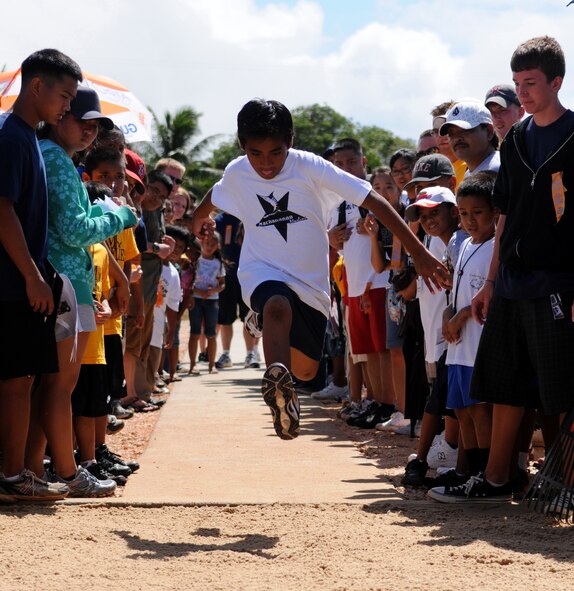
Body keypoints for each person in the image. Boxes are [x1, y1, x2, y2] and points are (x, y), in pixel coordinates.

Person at [192, 98, 446, 440]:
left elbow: (374, 200)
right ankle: (279, 387)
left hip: (310, 284)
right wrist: (198, 217)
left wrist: (419, 252)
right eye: (256, 154)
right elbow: (215, 194)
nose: (266, 165)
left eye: (275, 153)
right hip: (261, 271)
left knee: (307, 369)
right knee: (276, 305)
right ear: (243, 147)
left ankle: (277, 352)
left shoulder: (310, 167)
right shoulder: (238, 171)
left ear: (291, 142)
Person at [448, 36, 574, 506]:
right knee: (504, 383)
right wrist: (492, 283)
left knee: (558, 393)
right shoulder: (516, 139)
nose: (522, 92)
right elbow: (504, 218)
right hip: (514, 282)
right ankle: (497, 477)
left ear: (556, 82)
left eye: (531, 83)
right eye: (518, 82)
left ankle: (563, 485)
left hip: (558, 282)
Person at [27, 87, 137, 497]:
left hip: (66, 282)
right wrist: (120, 216)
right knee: (60, 385)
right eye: (82, 122)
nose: (90, 131)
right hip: (66, 283)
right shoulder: (56, 159)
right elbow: (73, 232)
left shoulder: (57, 157)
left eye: (96, 126)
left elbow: (68, 221)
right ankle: (71, 473)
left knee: (51, 385)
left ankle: (36, 469)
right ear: (59, 115)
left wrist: (99, 211)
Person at [0, 48, 82, 501]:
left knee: (23, 379)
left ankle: (16, 472)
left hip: (23, 280)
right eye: (64, 96)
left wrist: (40, 271)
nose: (67, 106)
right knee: (15, 381)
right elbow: (2, 209)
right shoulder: (12, 136)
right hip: (12, 285)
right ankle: (12, 477)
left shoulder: (27, 136)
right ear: (36, 87)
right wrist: (32, 276)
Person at [427, 173, 497, 501]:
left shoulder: (496, 248)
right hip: (457, 346)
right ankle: (468, 472)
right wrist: (446, 316)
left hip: (479, 345)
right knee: (464, 412)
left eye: (478, 212)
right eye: (464, 213)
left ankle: (485, 476)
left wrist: (464, 315)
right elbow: (453, 294)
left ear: (496, 212)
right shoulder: (464, 244)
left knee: (480, 410)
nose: (471, 220)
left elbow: (492, 298)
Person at [214, 211, 260, 370]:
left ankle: (251, 353)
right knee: (225, 317)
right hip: (226, 274)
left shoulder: (247, 214)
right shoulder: (218, 220)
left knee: (248, 315)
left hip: (248, 274)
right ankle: (226, 353)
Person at [188, 232, 226, 375]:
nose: (209, 247)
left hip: (212, 301)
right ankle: (192, 365)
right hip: (196, 300)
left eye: (212, 244)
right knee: (195, 332)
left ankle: (211, 365)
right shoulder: (196, 261)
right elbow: (189, 282)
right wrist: (197, 291)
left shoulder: (218, 263)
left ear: (218, 246)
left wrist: (214, 290)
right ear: (201, 243)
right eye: (206, 243)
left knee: (211, 334)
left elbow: (222, 284)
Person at [439, 101, 500, 176]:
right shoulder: (469, 174)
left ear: (489, 132)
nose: (457, 138)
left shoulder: (498, 169)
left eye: (465, 130)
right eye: (451, 133)